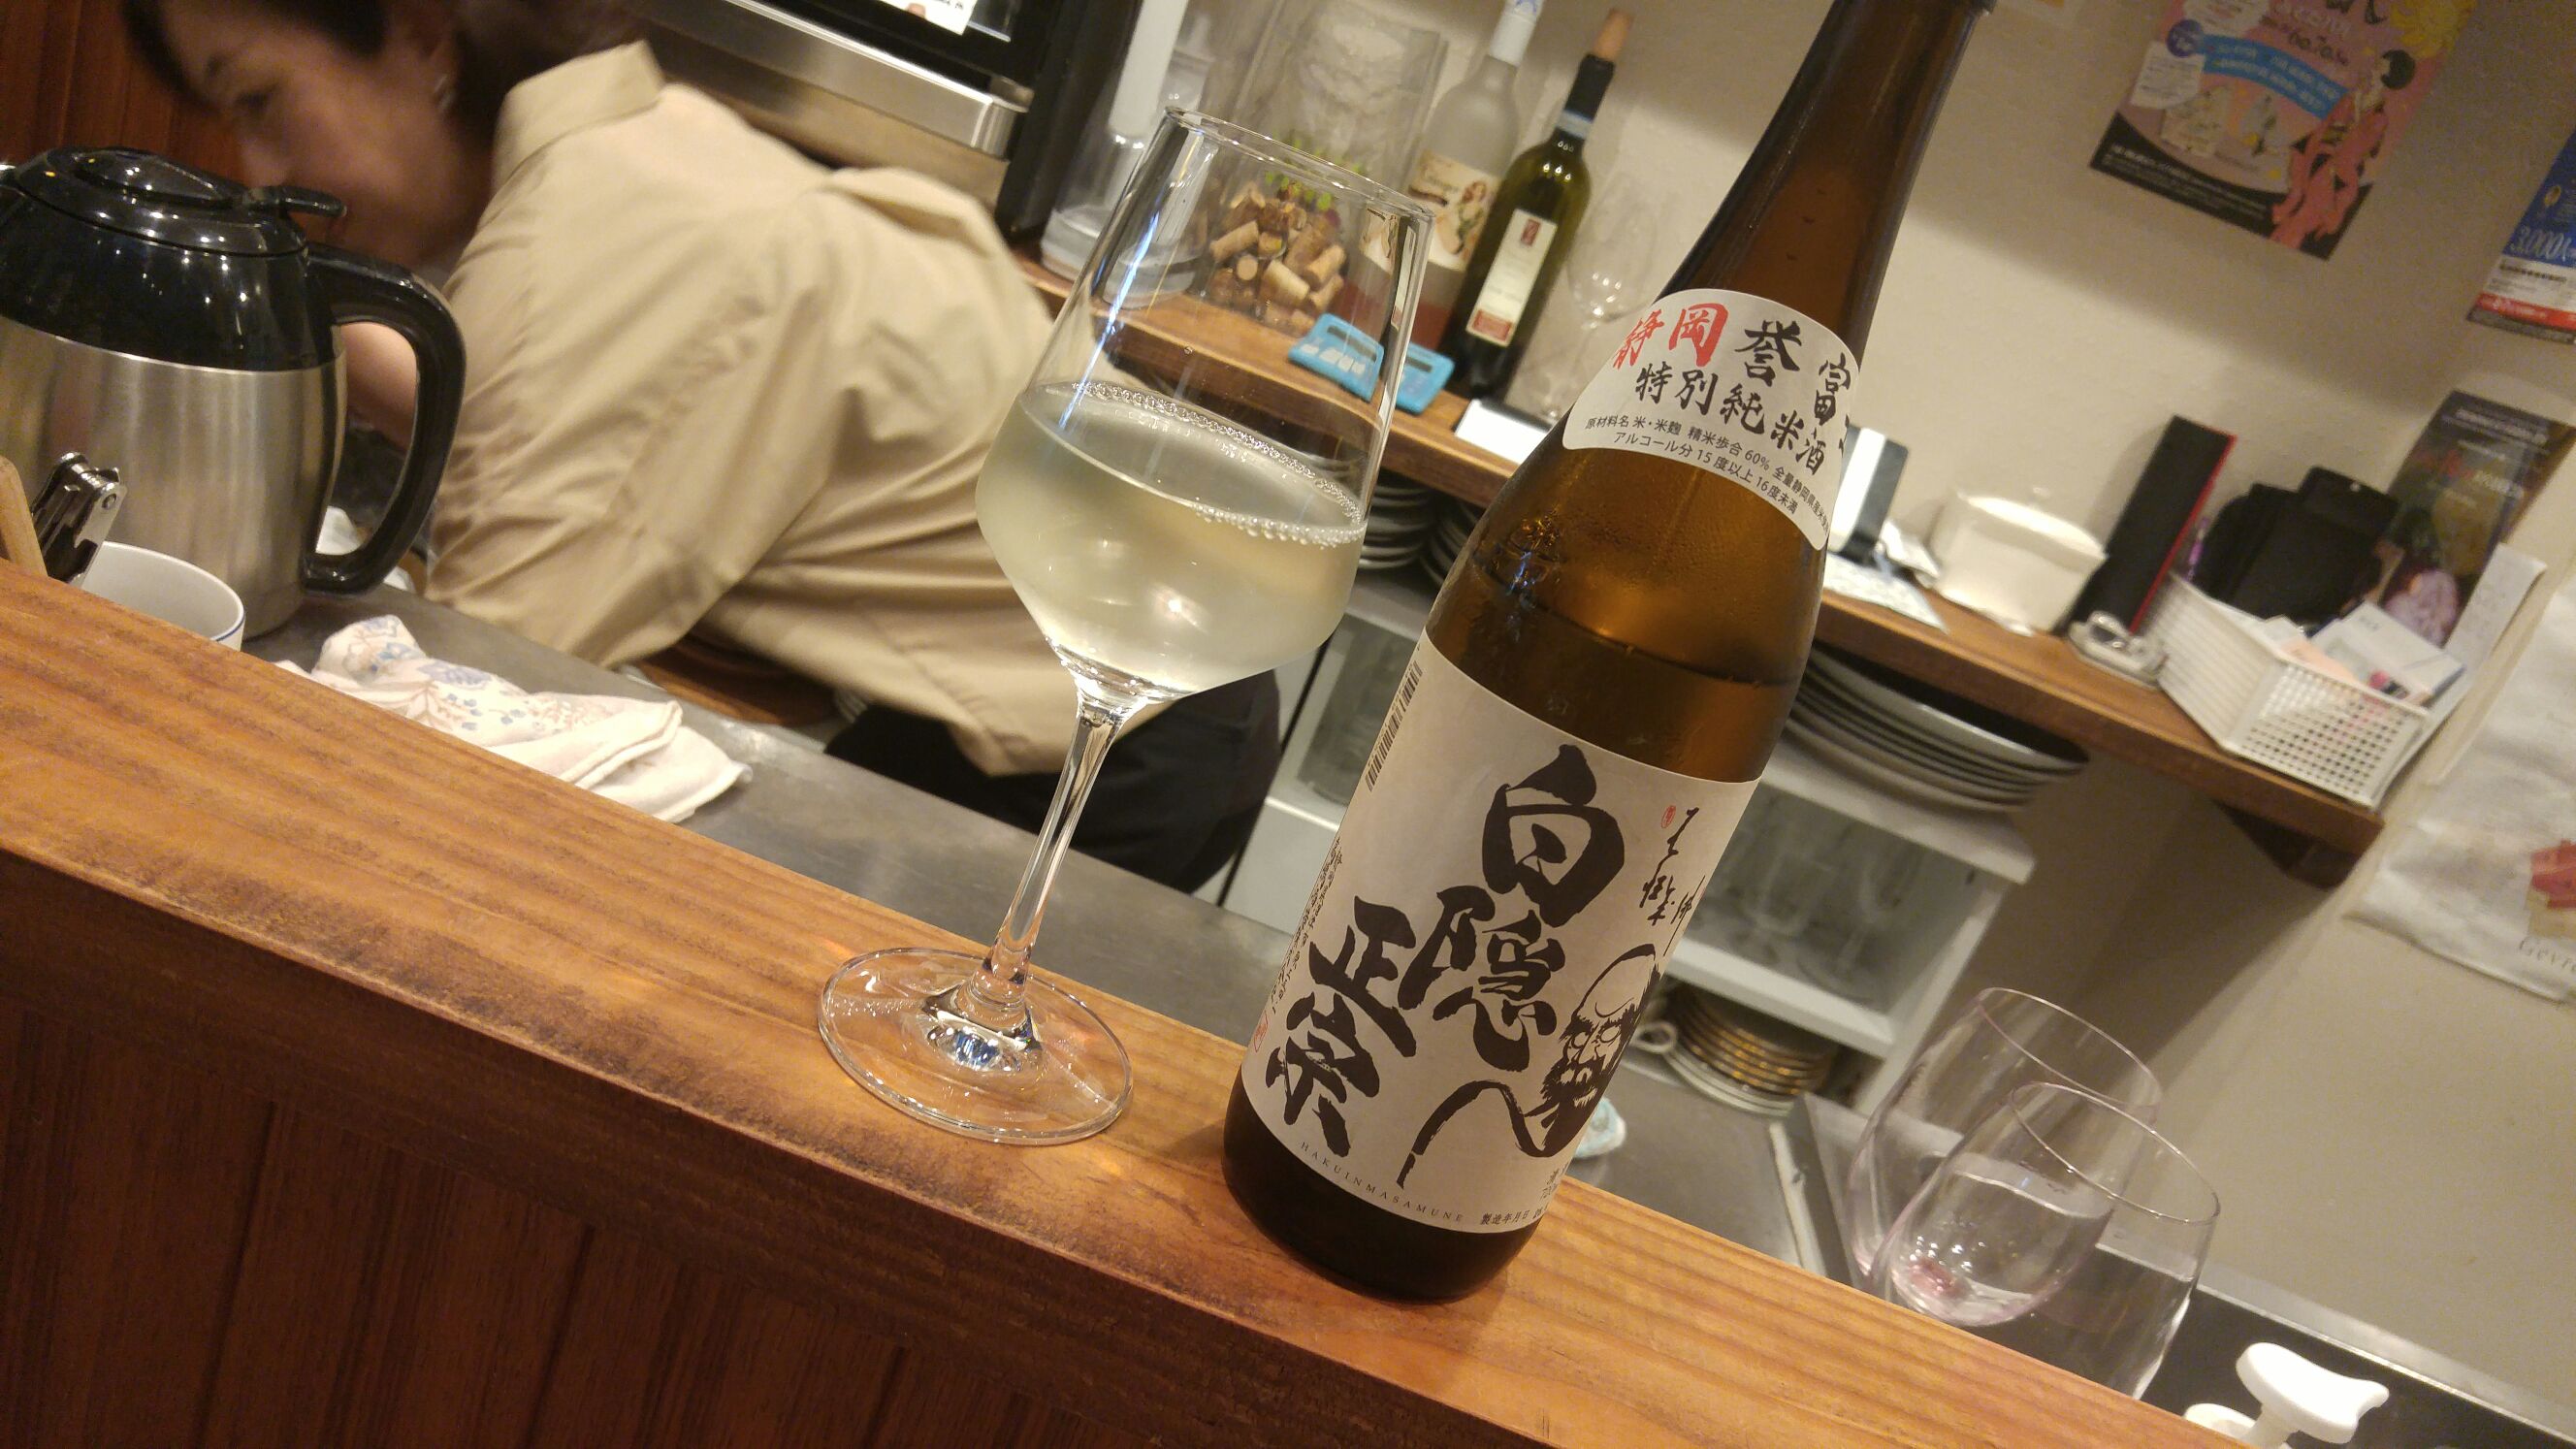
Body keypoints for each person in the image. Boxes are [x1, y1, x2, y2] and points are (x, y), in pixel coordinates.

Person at [124, 0, 1279, 890]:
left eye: (260, 102)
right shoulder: (628, 143)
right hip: (1136, 651)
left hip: (1120, 726)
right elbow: (587, 402)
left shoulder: (581, 256)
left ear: (422, 35)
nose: (259, 172)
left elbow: (470, 722)